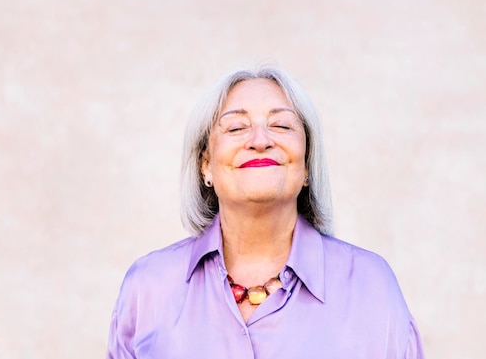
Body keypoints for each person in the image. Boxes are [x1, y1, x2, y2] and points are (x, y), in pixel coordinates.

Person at [107, 67, 425, 358]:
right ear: (206, 165)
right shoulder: (147, 287)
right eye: (236, 127)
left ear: (306, 164)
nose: (260, 140)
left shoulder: (372, 286)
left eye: (281, 125)